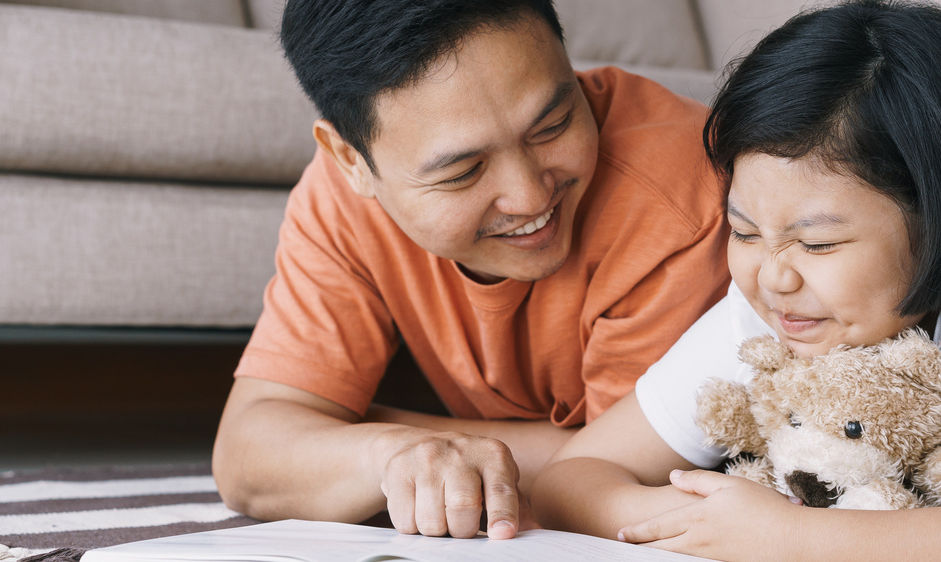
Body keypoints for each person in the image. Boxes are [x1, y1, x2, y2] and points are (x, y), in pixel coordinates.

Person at [532, 1, 941, 559]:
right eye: (744, 231)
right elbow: (573, 480)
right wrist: (708, 523)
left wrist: (792, 536)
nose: (772, 275)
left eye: (817, 242)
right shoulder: (773, 305)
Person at [210, 0, 731, 541]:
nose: (530, 196)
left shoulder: (677, 199)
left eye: (552, 125)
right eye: (463, 172)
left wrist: (341, 432)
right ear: (351, 162)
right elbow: (247, 453)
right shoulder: (342, 199)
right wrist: (395, 452)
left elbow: (614, 467)